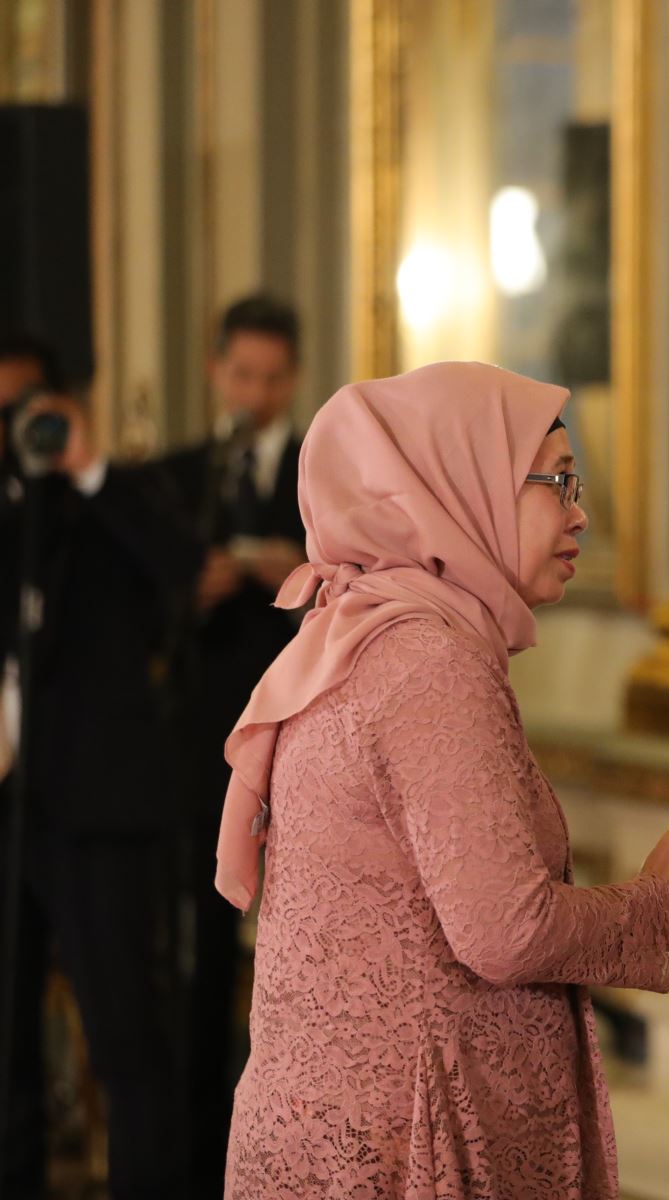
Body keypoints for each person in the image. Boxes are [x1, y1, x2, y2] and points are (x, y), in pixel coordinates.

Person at [216, 362, 669, 1199]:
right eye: (558, 482)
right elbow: (505, 928)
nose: (581, 514)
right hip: (408, 1142)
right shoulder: (427, 659)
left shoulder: (366, 630)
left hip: (343, 1123)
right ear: (459, 484)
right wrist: (658, 916)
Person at [0, 334, 202, 1198]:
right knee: (6, 1046)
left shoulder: (120, 494)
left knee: (127, 1039)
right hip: (10, 809)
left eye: (20, 408)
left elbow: (183, 566)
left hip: (102, 815)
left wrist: (85, 468)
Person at [158, 293, 310, 1184]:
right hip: (202, 752)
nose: (254, 391)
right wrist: (196, 584)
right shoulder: (187, 474)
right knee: (201, 964)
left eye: (271, 376)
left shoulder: (316, 473)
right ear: (219, 371)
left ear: (292, 376)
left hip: (296, 746)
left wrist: (275, 564)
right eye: (240, 373)